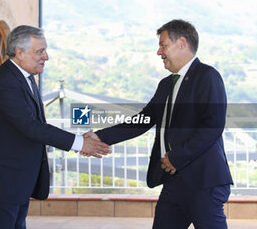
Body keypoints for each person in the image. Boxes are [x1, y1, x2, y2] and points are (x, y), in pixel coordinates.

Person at [85, 19, 233, 229]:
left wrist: (177, 157)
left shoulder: (207, 76)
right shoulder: (166, 85)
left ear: (181, 43)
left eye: (163, 45)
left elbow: (213, 126)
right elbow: (142, 120)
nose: (159, 52)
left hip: (203, 181)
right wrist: (101, 136)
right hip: (173, 180)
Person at [0, 25, 110, 229]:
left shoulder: (24, 77)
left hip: (14, 184)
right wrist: (80, 143)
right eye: (40, 51)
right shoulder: (6, 84)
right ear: (19, 53)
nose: (46, 57)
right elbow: (31, 127)